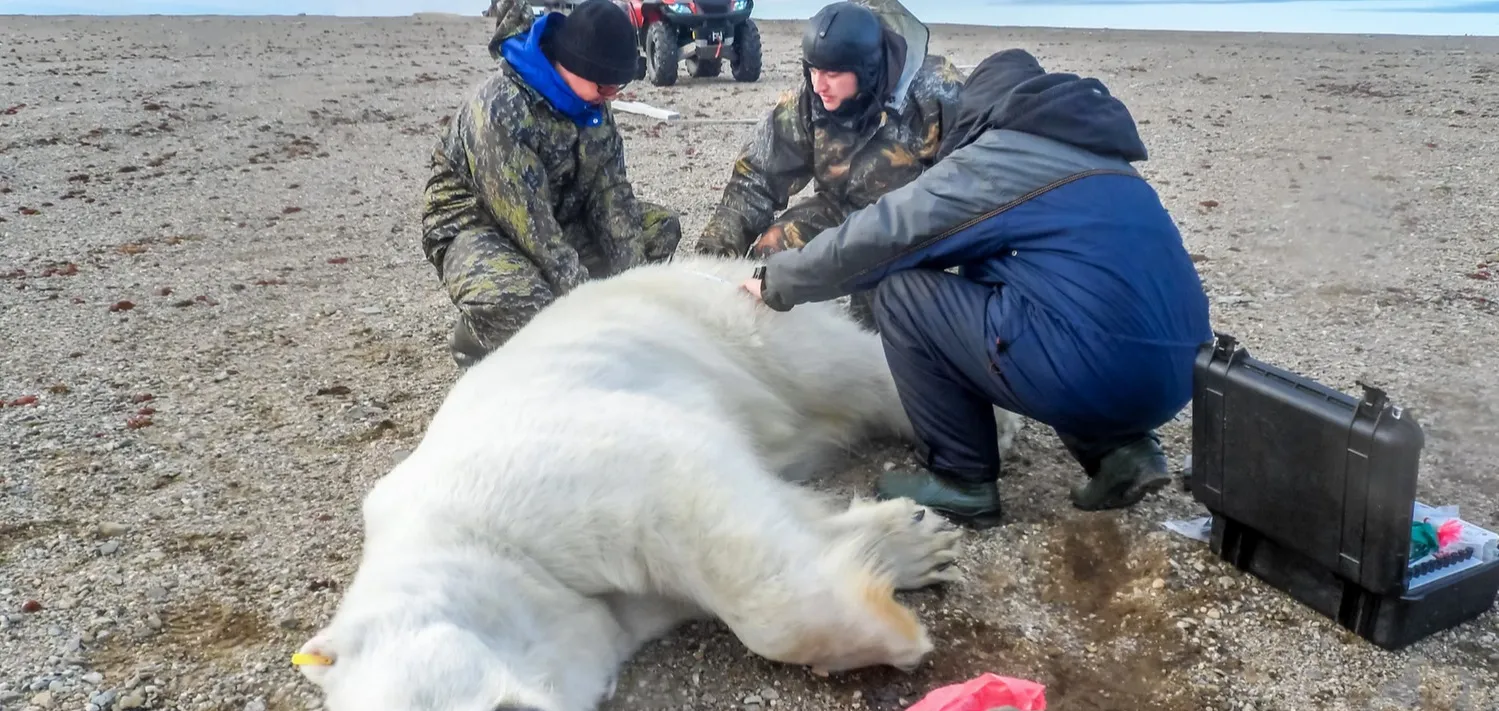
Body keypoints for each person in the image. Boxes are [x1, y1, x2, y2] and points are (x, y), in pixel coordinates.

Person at [738, 48, 1214, 525]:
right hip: (1180, 375)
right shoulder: (1106, 162)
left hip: (1094, 367)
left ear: (984, 106)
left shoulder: (1002, 157)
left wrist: (779, 280)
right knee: (1052, 291)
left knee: (902, 293)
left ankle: (960, 477)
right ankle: (1123, 452)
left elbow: (886, 233)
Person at [421, 0, 682, 369]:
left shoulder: (592, 105)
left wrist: (634, 289)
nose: (612, 96)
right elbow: (530, 226)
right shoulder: (501, 106)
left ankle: (588, 326)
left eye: (617, 86)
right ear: (573, 63)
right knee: (531, 304)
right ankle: (475, 339)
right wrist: (586, 301)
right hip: (478, 228)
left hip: (557, 215)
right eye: (605, 86)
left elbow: (611, 193)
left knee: (659, 229)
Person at [693, 0, 964, 328]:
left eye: (833, 74)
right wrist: (715, 250)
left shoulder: (936, 91)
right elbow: (758, 176)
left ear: (868, 68)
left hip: (909, 225)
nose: (819, 84)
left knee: (885, 313)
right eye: (813, 69)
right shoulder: (811, 97)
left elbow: (971, 179)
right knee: (770, 257)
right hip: (839, 207)